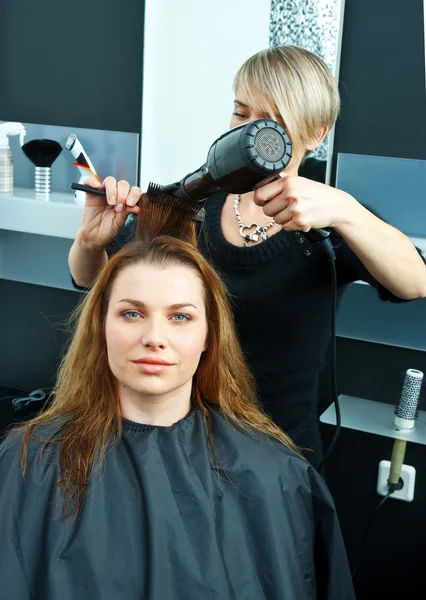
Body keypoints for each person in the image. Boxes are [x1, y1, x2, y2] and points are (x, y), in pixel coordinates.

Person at [68, 45, 426, 468]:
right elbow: (91, 279)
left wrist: (345, 210)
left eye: (271, 120)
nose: (248, 132)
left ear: (317, 134)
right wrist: (91, 242)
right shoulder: (192, 203)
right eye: (240, 114)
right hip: (183, 442)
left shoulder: (329, 220)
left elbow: (414, 282)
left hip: (280, 453)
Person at [0, 208, 355, 599]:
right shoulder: (30, 460)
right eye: (132, 313)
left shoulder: (276, 475)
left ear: (208, 336)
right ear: (101, 326)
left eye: (180, 317)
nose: (155, 337)